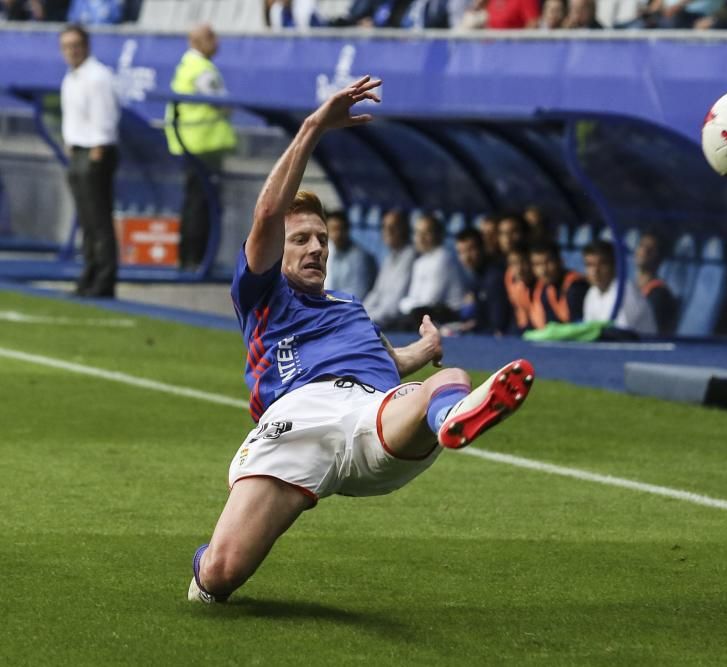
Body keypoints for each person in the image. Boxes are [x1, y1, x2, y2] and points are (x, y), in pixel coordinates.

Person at [187, 76, 535, 604]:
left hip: (369, 412)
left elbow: (382, 362)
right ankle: (204, 563)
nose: (315, 249)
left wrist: (423, 353)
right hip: (296, 420)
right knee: (219, 576)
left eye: (322, 240)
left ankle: (453, 417)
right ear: (277, 248)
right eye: (300, 239)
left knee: (450, 379)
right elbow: (265, 215)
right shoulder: (262, 292)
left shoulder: (350, 306)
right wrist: (312, 128)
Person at [165, 23, 237, 272]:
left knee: (194, 202)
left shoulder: (186, 66)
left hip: (192, 144)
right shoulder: (202, 70)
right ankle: (197, 259)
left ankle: (188, 257)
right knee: (202, 203)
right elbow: (222, 103)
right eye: (211, 37)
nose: (216, 41)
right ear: (197, 41)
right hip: (204, 145)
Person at [60, 24, 120, 298]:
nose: (71, 51)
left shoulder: (97, 76)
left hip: (95, 152)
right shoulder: (71, 78)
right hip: (78, 150)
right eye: (66, 46)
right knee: (86, 220)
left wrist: (98, 151)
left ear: (86, 46)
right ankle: (90, 270)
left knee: (99, 220)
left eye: (75, 45)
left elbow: (105, 117)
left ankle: (105, 278)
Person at [394, 213, 466, 326]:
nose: (421, 238)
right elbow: (412, 298)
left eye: (426, 233)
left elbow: (430, 301)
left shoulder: (443, 258)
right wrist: (407, 305)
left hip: (448, 315)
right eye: (417, 233)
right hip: (423, 313)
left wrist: (408, 305)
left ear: (438, 235)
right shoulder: (420, 262)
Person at [363, 208, 416, 326]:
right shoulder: (389, 256)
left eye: (394, 227)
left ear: (405, 229)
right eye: (385, 227)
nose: (388, 231)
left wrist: (364, 319)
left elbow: (393, 308)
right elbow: (376, 293)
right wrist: (359, 313)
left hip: (396, 324)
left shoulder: (411, 255)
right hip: (378, 318)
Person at [454, 228, 510, 335]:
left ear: (483, 248)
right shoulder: (475, 276)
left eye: (470, 249)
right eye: (461, 252)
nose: (466, 257)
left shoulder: (494, 277)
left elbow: (498, 326)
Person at [528, 240, 588, 329]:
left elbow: (579, 328)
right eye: (537, 264)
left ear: (560, 261)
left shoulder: (576, 288)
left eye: (548, 262)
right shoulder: (546, 288)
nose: (543, 270)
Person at [633, 232, 680, 336]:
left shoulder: (659, 294)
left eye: (651, 249)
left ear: (659, 257)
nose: (644, 251)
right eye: (641, 245)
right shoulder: (630, 288)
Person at [323, 209, 377, 297]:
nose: (337, 234)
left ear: (348, 230)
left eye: (340, 229)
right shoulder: (333, 252)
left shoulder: (360, 257)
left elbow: (358, 294)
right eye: (333, 230)